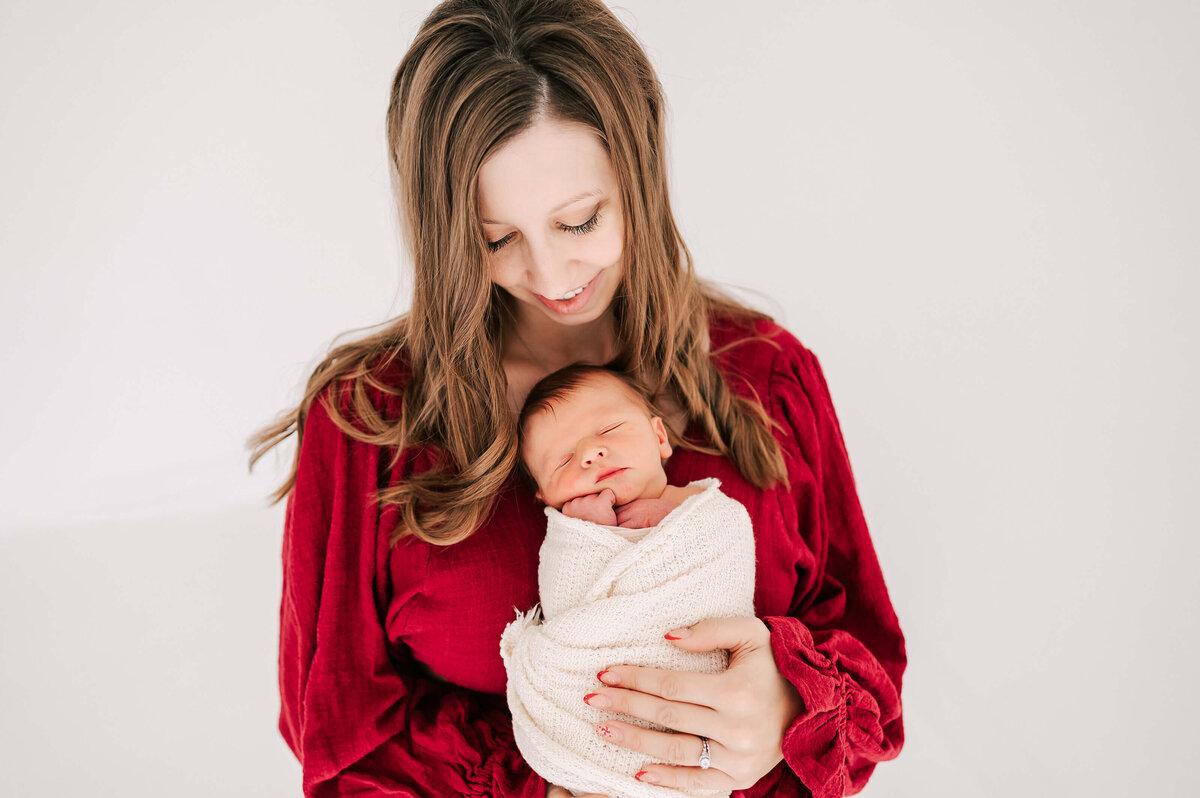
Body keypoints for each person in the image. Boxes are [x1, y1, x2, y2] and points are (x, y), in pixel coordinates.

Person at [249, 1, 906, 796]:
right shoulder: (365, 421)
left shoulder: (767, 376)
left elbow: (870, 672)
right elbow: (341, 738)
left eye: (582, 220)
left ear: (639, 170)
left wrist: (790, 705)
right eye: (496, 239)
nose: (555, 278)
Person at [502, 364, 757, 797]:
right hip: (598, 720)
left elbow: (727, 566)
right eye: (563, 460)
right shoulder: (567, 539)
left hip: (707, 723)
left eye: (611, 429)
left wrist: (672, 517)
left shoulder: (711, 513)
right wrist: (587, 536)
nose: (590, 453)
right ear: (545, 496)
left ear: (659, 437)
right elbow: (568, 609)